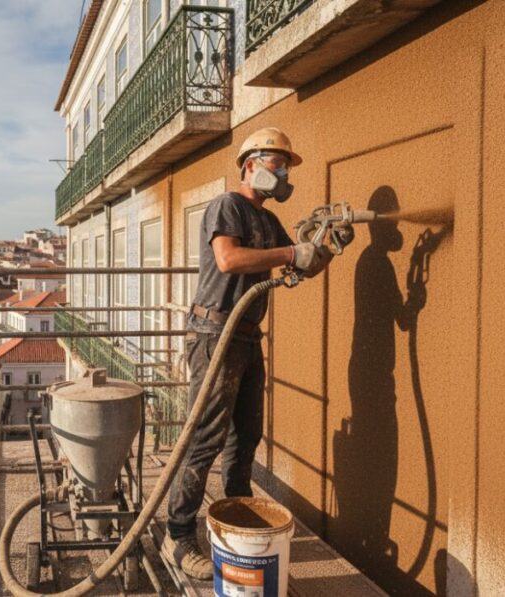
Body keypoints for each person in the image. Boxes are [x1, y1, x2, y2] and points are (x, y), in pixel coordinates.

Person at [160, 127, 342, 579]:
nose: (282, 174)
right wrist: (290, 251)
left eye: (285, 167)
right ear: (250, 166)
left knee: (246, 437)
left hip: (245, 337)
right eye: (276, 165)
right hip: (214, 334)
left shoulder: (269, 220)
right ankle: (178, 535)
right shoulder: (229, 205)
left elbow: (297, 261)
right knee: (204, 437)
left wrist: (325, 248)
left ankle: (233, 520)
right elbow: (228, 260)